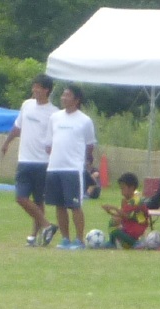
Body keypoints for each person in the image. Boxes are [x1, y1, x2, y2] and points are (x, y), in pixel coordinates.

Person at [1, 74, 59, 246]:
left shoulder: (54, 113)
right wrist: (7, 142)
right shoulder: (26, 105)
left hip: (43, 161)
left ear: (46, 90)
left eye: (38, 87)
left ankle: (34, 236)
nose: (34, 90)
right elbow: (17, 126)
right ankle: (47, 226)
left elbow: (56, 137)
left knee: (38, 200)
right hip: (25, 159)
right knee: (21, 197)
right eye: (34, 86)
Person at [43, 85, 96, 250]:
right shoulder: (55, 118)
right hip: (54, 168)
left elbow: (90, 145)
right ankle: (65, 238)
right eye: (63, 95)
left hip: (72, 168)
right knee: (59, 205)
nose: (63, 98)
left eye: (68, 95)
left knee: (74, 205)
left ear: (76, 100)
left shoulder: (85, 120)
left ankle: (79, 240)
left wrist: (84, 160)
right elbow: (48, 144)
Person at [100, 172, 150, 249]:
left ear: (132, 188)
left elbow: (126, 215)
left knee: (114, 230)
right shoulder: (127, 200)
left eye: (123, 188)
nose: (121, 191)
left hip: (137, 226)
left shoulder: (135, 201)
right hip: (130, 225)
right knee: (112, 222)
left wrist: (114, 208)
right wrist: (109, 212)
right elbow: (122, 215)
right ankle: (112, 243)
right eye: (121, 188)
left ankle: (136, 243)